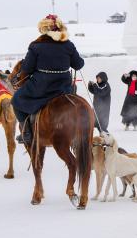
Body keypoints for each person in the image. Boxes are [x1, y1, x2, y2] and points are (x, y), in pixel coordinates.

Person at [11, 16, 84, 146]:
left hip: (41, 87)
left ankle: (26, 132)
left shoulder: (36, 46)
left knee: (16, 99)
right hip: (64, 88)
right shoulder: (68, 44)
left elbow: (27, 69)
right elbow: (78, 65)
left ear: (44, 29)